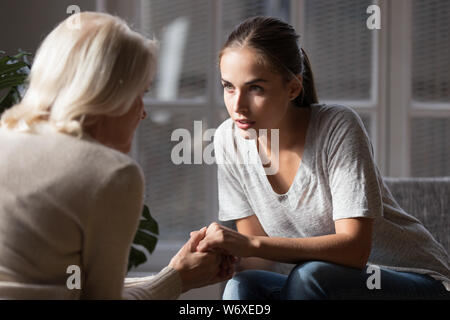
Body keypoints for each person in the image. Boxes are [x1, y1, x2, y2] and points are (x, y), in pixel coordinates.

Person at [196, 16, 450, 300]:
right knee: (243, 286)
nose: (238, 105)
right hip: (321, 286)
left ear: (293, 88)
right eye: (228, 86)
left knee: (309, 276)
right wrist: (220, 257)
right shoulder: (228, 140)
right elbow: (259, 258)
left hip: (413, 282)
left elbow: (355, 250)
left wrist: (251, 244)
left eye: (256, 88)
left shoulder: (338, 126)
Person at [0, 12, 233, 299]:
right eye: (141, 92)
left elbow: (70, 288)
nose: (143, 111)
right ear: (106, 94)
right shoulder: (111, 172)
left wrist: (173, 273)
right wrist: (178, 280)